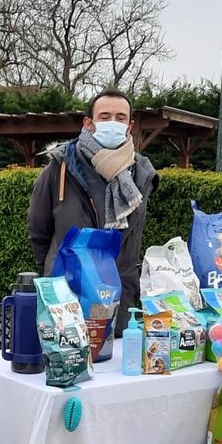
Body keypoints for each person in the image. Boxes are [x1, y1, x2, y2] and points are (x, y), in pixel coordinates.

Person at [26, 89, 159, 336]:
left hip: (118, 292)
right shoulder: (61, 166)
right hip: (67, 289)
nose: (113, 123)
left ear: (129, 126)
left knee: (114, 367)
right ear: (89, 123)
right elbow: (38, 227)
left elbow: (133, 238)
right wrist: (56, 266)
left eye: (120, 118)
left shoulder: (140, 173)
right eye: (105, 116)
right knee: (68, 361)